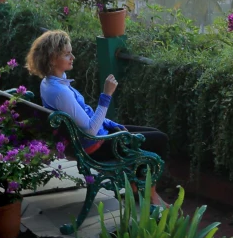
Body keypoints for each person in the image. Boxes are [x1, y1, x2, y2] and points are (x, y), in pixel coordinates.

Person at [25, 30, 167, 206]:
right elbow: (91, 130)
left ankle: (137, 186)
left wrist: (110, 123)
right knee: (159, 139)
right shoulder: (60, 92)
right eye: (67, 54)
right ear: (53, 59)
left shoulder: (50, 82)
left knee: (153, 134)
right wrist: (106, 95)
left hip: (94, 137)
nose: (73, 57)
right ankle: (149, 193)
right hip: (96, 146)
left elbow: (84, 117)